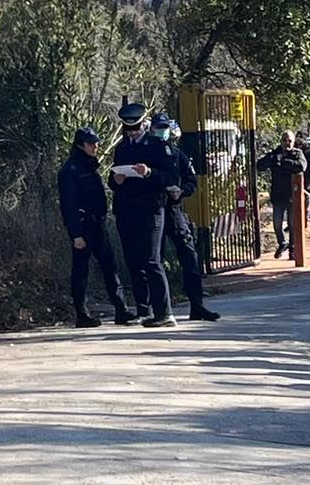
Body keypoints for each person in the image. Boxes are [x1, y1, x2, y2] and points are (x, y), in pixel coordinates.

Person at [111, 102, 180, 328]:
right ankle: (146, 310)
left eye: (136, 128)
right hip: (128, 210)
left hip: (151, 209)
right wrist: (116, 180)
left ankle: (165, 312)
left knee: (152, 260)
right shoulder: (122, 149)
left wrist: (149, 172)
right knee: (134, 260)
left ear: (143, 125)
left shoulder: (157, 146)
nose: (132, 132)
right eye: (128, 129)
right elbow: (114, 179)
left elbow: (171, 178)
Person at [59, 128, 133, 327]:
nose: (96, 146)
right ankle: (82, 314)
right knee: (81, 271)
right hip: (82, 226)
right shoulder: (70, 170)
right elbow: (68, 204)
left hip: (97, 224)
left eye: (96, 143)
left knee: (110, 266)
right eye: (91, 143)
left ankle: (121, 309)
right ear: (80, 145)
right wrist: (76, 234)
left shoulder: (90, 166)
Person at [157, 117, 219, 322]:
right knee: (153, 259)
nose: (162, 132)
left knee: (190, 257)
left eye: (165, 128)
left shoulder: (177, 156)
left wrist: (181, 191)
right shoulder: (147, 155)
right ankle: (153, 308)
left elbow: (191, 181)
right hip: (154, 211)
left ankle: (197, 305)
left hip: (174, 210)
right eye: (158, 128)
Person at [257, 131, 310, 262]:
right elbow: (260, 166)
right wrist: (273, 159)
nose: (287, 143)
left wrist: (284, 162)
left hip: (293, 195)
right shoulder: (275, 154)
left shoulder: (298, 154)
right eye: (285, 140)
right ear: (281, 141)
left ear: (293, 142)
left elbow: (301, 166)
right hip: (278, 195)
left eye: (290, 141)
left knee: (292, 224)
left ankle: (293, 249)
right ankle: (282, 243)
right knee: (277, 224)